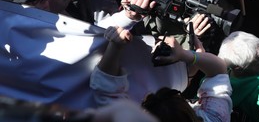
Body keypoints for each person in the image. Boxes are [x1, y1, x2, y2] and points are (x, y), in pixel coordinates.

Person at [91, 26, 233, 122]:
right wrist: (187, 55)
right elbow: (219, 71)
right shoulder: (214, 118)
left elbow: (106, 89)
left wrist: (115, 45)